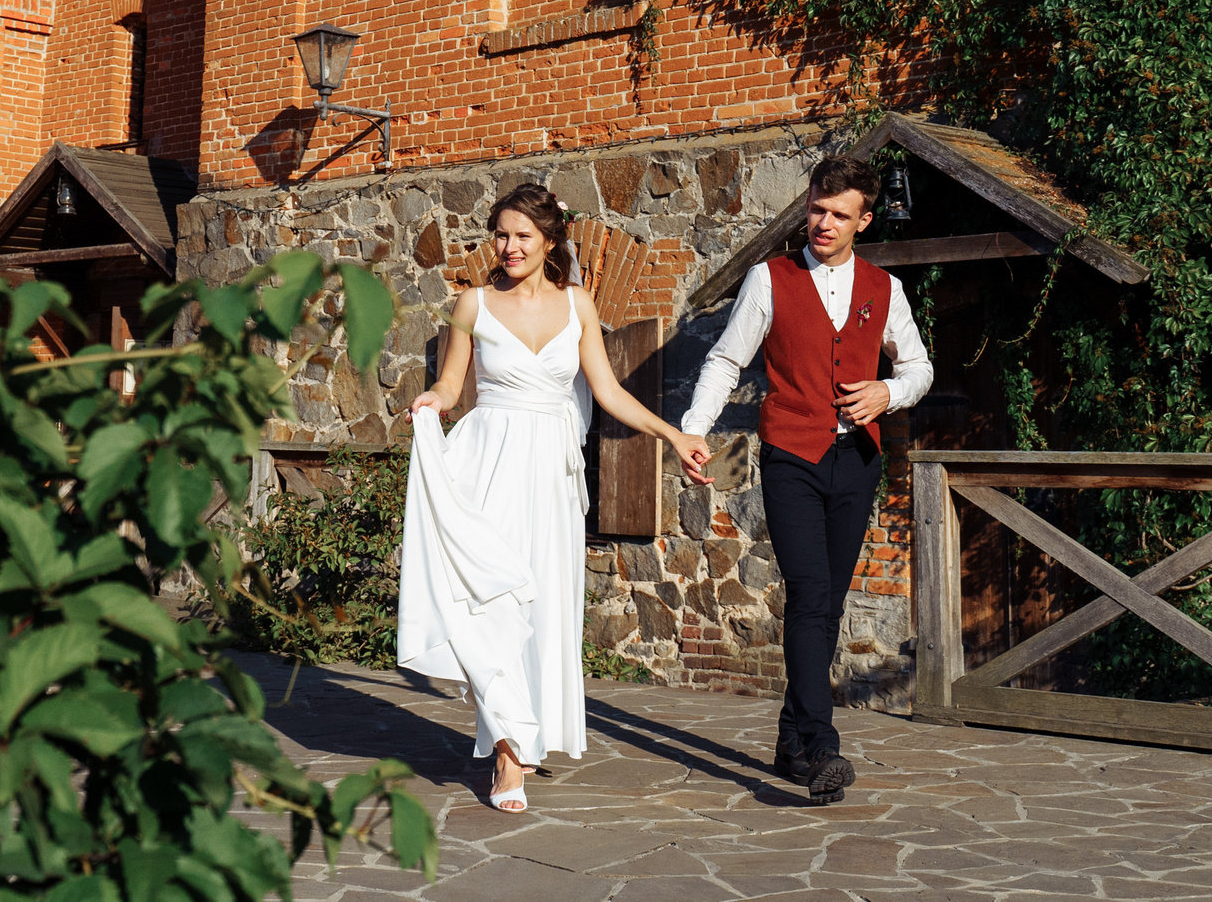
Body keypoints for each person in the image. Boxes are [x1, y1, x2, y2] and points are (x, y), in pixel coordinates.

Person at [398, 183, 714, 813]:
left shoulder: (578, 305)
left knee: (544, 606)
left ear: (548, 243)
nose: (508, 246)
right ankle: (508, 758)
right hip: (491, 467)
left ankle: (524, 731)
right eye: (500, 234)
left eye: (521, 236)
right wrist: (433, 401)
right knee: (495, 603)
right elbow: (452, 383)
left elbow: (608, 391)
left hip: (553, 474)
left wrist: (673, 434)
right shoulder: (473, 303)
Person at [680, 155, 932, 803]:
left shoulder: (884, 287)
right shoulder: (772, 279)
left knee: (826, 602)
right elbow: (726, 357)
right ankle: (821, 743)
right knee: (810, 591)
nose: (823, 222)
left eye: (839, 214)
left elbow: (920, 368)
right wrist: (694, 428)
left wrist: (888, 389)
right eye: (817, 208)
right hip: (792, 454)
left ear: (864, 219)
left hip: (857, 460)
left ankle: (792, 734)